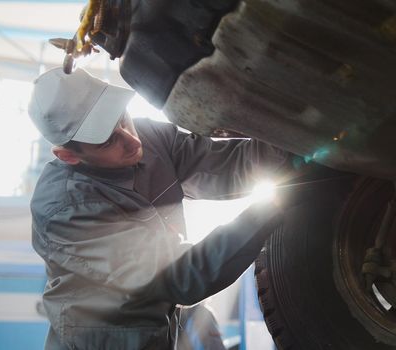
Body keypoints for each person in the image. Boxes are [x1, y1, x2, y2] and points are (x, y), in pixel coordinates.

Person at [28, 68, 294, 349]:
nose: (131, 140)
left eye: (122, 119)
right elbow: (183, 276)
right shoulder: (65, 209)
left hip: (158, 331)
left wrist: (296, 149)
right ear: (69, 156)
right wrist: (273, 208)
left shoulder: (150, 137)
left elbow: (233, 165)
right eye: (107, 140)